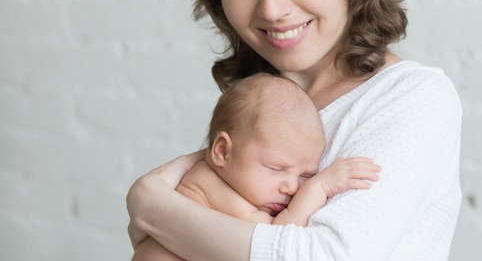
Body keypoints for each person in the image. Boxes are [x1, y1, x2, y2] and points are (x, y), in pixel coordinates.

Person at [126, 0, 463, 260]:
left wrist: (155, 209)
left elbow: (325, 256)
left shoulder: (412, 99)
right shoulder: (261, 106)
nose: (272, 7)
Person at [132, 73, 380, 261]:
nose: (292, 187)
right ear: (222, 151)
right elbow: (276, 237)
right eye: (275, 168)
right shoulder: (210, 186)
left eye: (306, 175)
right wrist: (319, 186)